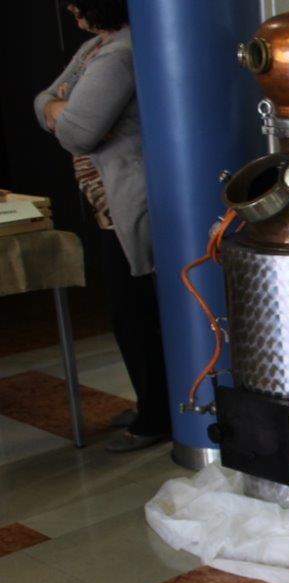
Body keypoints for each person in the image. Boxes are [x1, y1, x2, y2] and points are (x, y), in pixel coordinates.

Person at [35, 0, 171, 453]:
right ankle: (151, 403)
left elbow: (78, 134)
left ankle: (156, 415)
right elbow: (41, 100)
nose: (69, 8)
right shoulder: (95, 47)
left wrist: (63, 112)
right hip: (106, 202)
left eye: (76, 2)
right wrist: (60, 107)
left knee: (136, 312)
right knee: (129, 310)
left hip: (126, 202)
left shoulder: (118, 54)